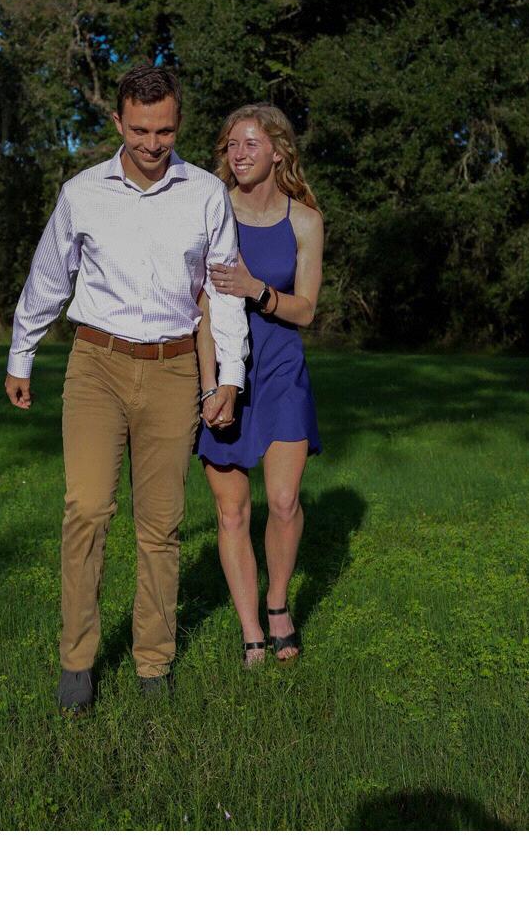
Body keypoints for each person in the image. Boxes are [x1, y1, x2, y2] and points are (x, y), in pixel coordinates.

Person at [4, 64, 248, 711]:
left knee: (161, 525)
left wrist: (229, 376)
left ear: (179, 123)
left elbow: (224, 292)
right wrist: (21, 354)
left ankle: (153, 664)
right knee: (86, 509)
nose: (151, 143)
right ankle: (77, 663)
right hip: (97, 365)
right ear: (118, 122)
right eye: (139, 130)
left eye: (164, 130)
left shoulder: (206, 195)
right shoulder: (82, 193)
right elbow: (48, 278)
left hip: (173, 369)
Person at [195, 104, 323, 666]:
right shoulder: (210, 210)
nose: (239, 153)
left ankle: (277, 605)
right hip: (222, 370)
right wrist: (209, 387)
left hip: (281, 369)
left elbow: (306, 310)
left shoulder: (305, 221)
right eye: (231, 144)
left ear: (277, 151)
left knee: (285, 501)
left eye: (250, 143)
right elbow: (200, 307)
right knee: (232, 512)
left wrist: (257, 290)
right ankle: (251, 631)